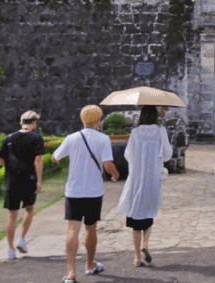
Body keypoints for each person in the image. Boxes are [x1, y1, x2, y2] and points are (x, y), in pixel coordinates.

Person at [52, 105, 120, 282]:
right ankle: (89, 264)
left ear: (83, 120)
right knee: (91, 228)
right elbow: (107, 164)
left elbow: (54, 157)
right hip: (94, 191)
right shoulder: (103, 139)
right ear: (98, 120)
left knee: (73, 230)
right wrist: (114, 173)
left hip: (74, 191)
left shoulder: (71, 138)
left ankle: (70, 272)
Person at [117, 105, 172, 267]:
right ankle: (145, 244)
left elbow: (128, 155)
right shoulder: (160, 131)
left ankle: (136, 257)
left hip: (136, 177)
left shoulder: (135, 133)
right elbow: (167, 154)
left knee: (135, 216)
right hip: (152, 178)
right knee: (149, 212)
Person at [0, 110, 44, 259]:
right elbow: (38, 160)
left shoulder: (8, 138)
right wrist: (39, 181)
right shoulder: (36, 138)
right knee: (29, 210)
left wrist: (11, 168)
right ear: (34, 123)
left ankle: (10, 250)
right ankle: (22, 239)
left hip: (12, 181)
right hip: (29, 180)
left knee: (12, 214)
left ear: (21, 123)